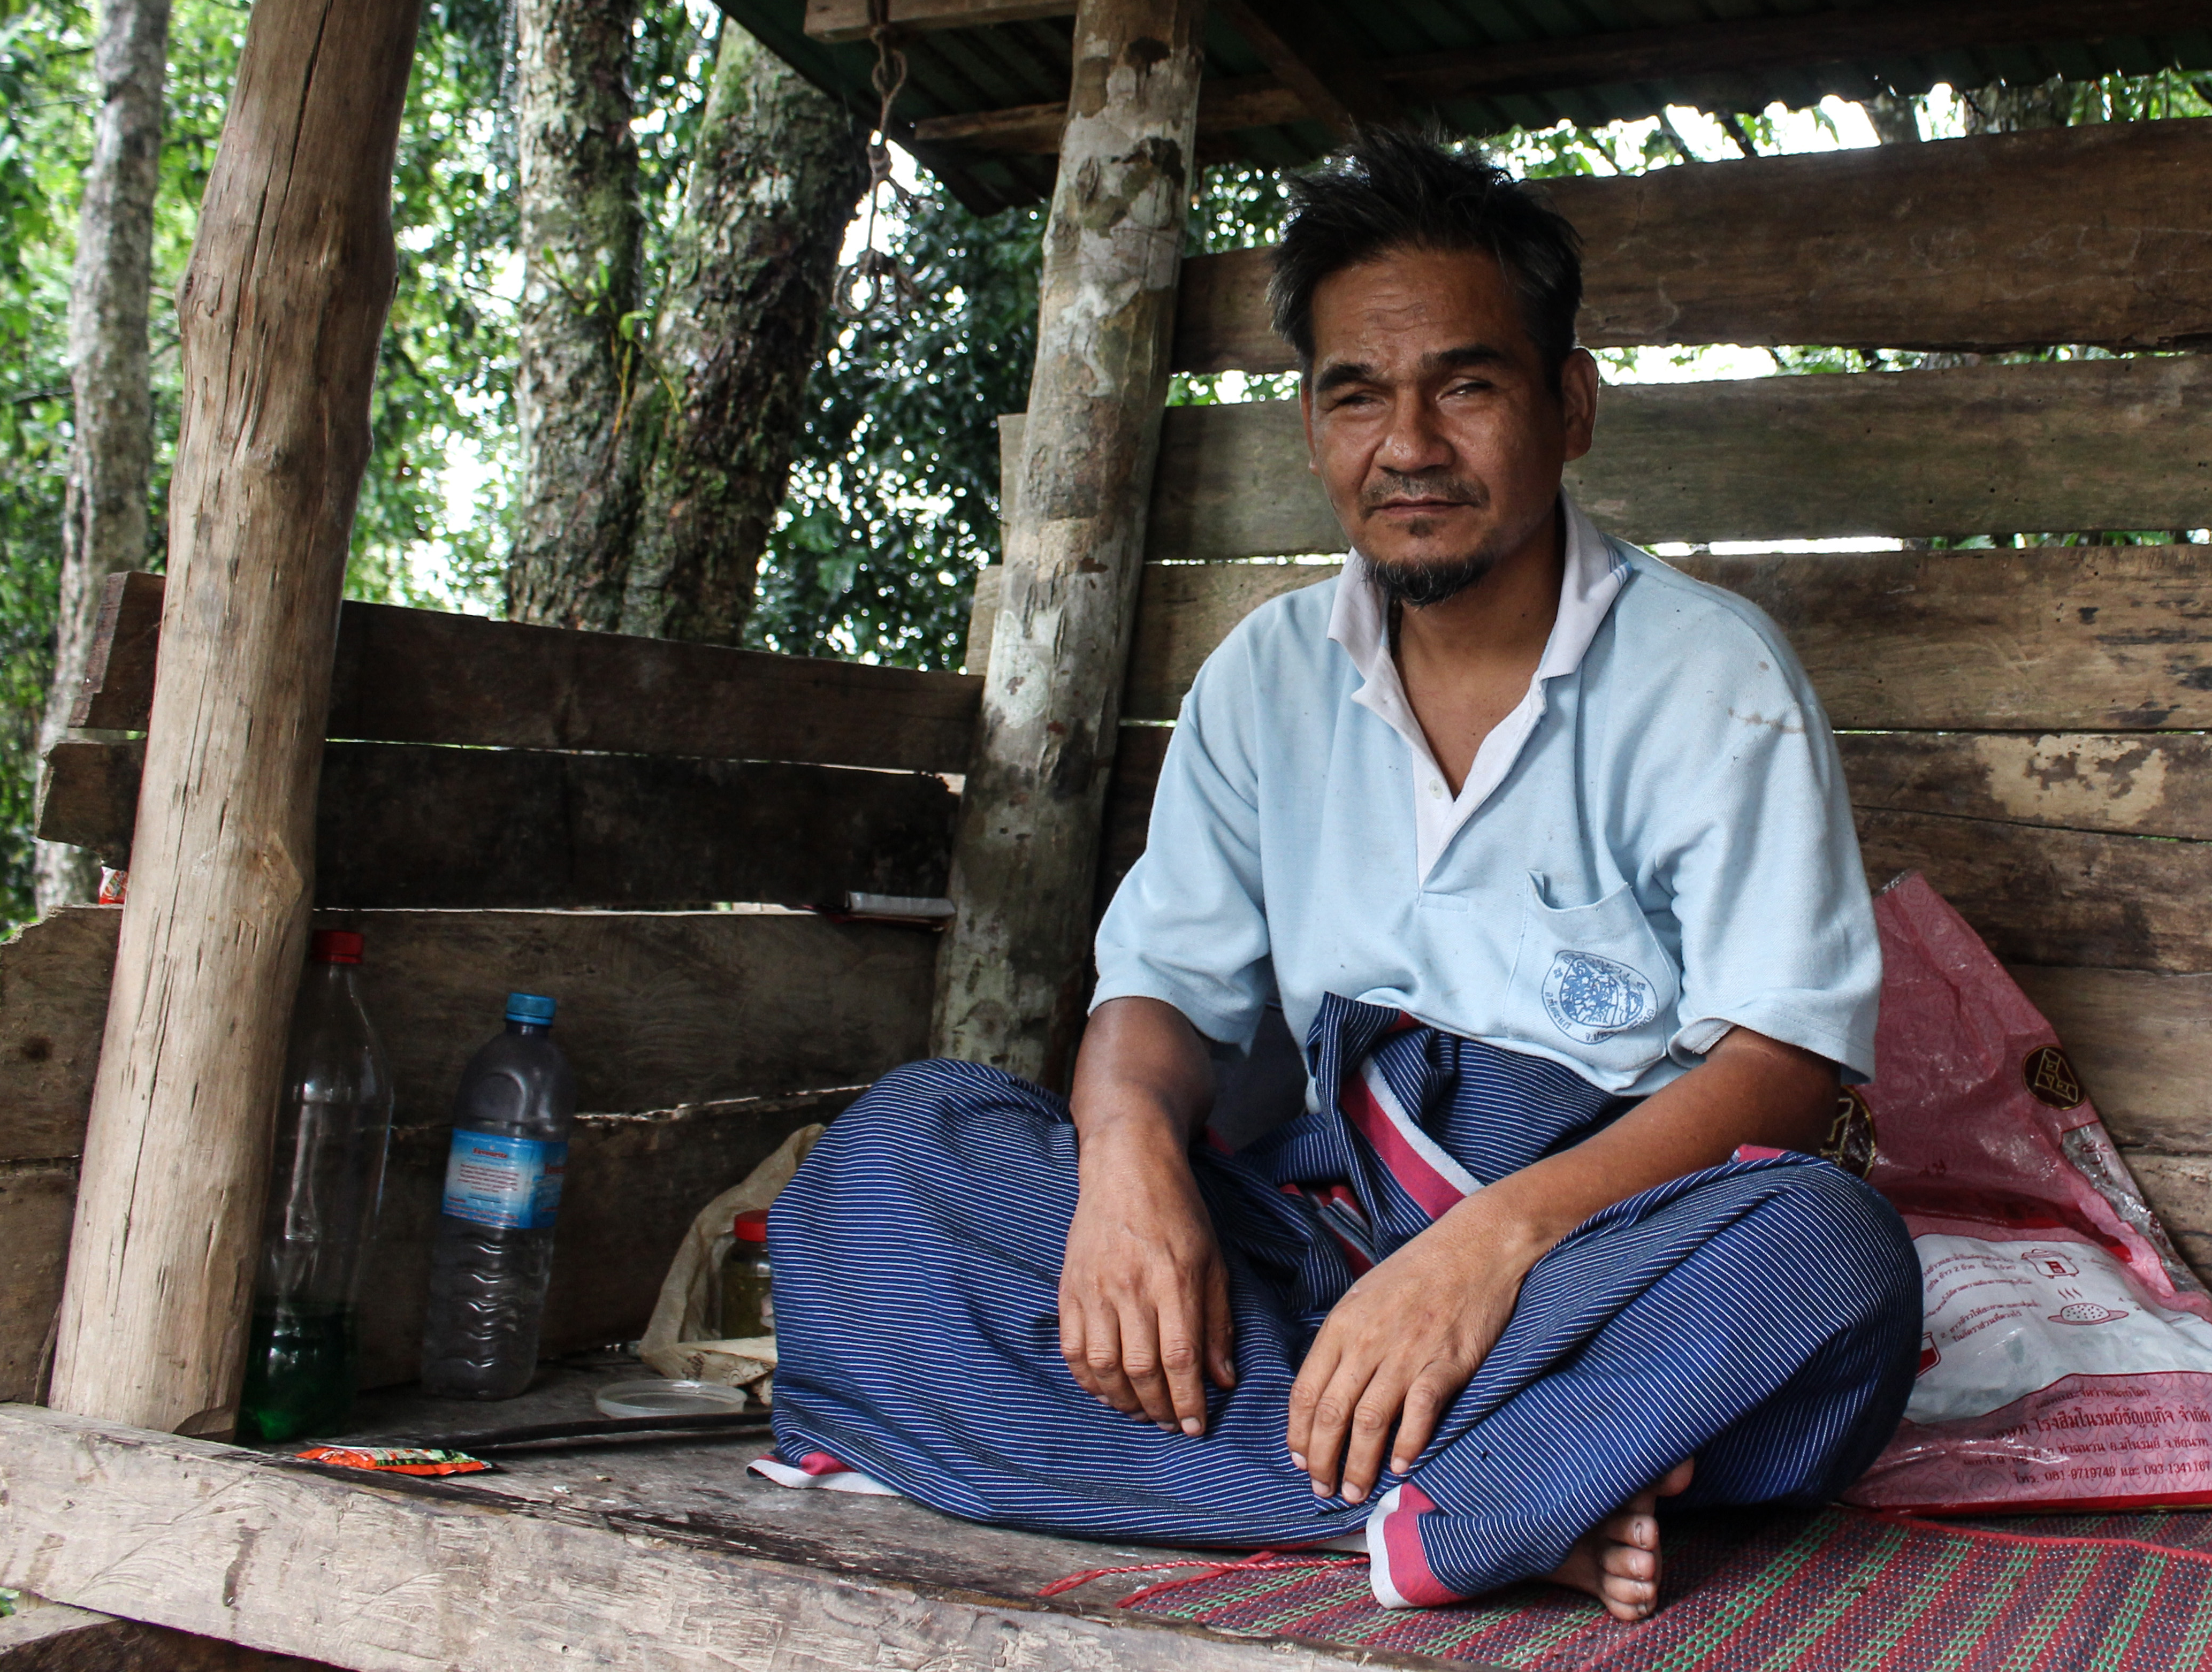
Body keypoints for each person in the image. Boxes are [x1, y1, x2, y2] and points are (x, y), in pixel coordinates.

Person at [758, 129, 1922, 1618]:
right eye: (1354, 393)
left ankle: (1395, 1481)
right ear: (1312, 427)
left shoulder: (1710, 676)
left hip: (1583, 1269)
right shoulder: (1262, 682)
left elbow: (1781, 1064)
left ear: (1566, 405)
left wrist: (1487, 1253)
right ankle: (1502, 1501)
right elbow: (1160, 991)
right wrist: (1126, 1173)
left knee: (1828, 1260)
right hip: (1310, 1258)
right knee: (894, 1161)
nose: (1408, 444)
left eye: (1467, 384)